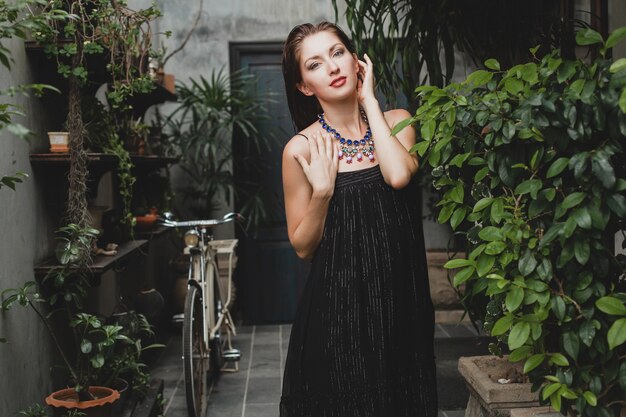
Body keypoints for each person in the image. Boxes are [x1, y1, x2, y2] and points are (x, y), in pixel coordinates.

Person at [279, 21, 438, 417]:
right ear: (304, 86)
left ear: (356, 60)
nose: (332, 68)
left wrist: (369, 101)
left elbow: (398, 175)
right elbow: (302, 247)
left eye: (337, 53)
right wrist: (322, 193)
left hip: (403, 306)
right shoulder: (301, 148)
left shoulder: (398, 121)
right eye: (314, 64)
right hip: (339, 315)